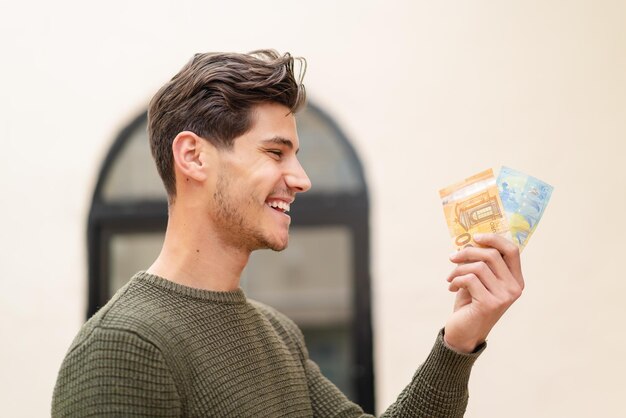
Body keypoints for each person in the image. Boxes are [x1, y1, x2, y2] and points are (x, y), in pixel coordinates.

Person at [52, 50, 524, 417]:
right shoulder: (125, 346)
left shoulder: (277, 334)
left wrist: (459, 340)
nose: (301, 178)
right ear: (193, 157)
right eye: (275, 153)